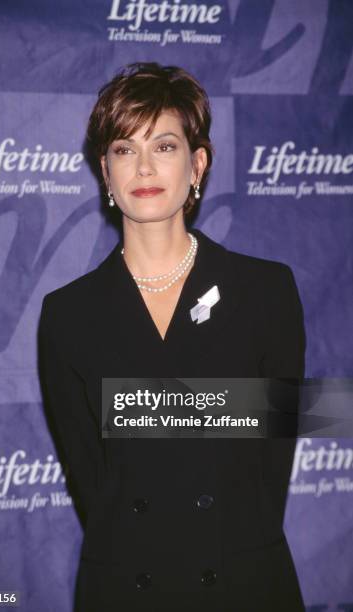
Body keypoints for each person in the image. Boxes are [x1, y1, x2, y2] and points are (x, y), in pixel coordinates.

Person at [38, 62, 306, 612]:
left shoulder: (266, 290)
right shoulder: (67, 314)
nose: (143, 166)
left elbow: (271, 466)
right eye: (122, 148)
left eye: (163, 146)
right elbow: (92, 481)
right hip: (126, 584)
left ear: (197, 163)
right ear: (105, 172)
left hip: (243, 580)